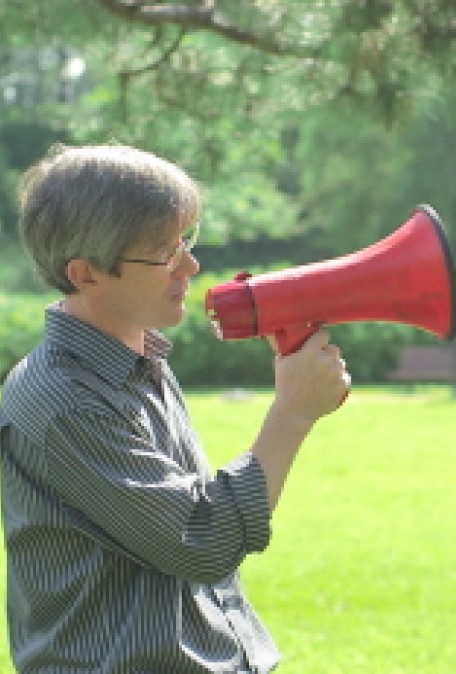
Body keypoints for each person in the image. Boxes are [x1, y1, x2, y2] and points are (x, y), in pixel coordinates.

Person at [0, 144, 350, 674]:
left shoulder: (138, 358)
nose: (191, 265)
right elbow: (202, 540)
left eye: (186, 240)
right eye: (164, 253)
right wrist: (292, 416)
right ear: (87, 273)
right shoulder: (62, 401)